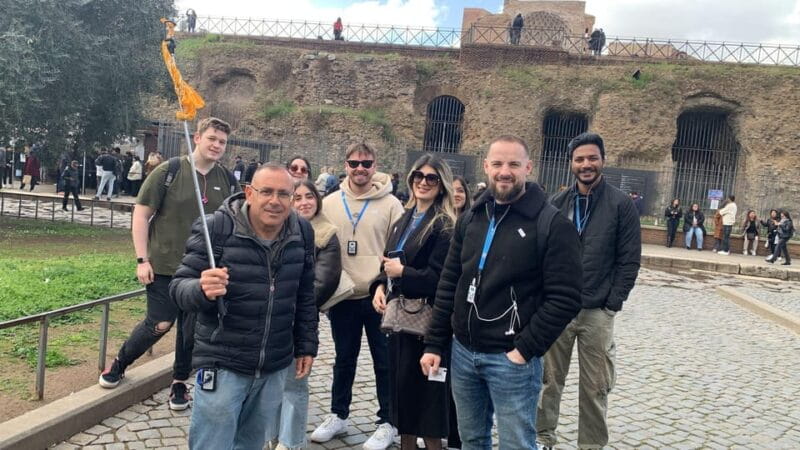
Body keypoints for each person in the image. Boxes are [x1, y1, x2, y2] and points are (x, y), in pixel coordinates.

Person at [421, 135, 583, 449]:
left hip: (511, 360)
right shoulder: (471, 218)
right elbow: (450, 282)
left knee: (516, 444)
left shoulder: (551, 224)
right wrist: (435, 343)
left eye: (513, 164)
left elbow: (566, 298)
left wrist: (524, 349)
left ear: (528, 167)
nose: (504, 171)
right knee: (471, 441)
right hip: (463, 352)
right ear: (486, 166)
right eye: (497, 164)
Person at [170, 163, 318, 450]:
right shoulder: (216, 228)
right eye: (266, 192)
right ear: (249, 193)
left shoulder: (302, 231)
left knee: (251, 444)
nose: (275, 201)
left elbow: (304, 295)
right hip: (223, 362)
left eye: (283, 194)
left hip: (274, 364)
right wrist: (201, 288)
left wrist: (306, 345)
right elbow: (178, 288)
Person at [98, 118, 240, 412]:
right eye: (212, 138)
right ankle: (120, 362)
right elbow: (141, 215)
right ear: (197, 138)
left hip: (204, 269)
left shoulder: (227, 179)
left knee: (191, 329)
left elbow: (236, 221)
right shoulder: (169, 171)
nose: (216, 145)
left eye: (222, 142)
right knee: (159, 323)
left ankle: (179, 381)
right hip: (165, 264)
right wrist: (142, 259)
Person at [538, 132, 642, 450]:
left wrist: (613, 303)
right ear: (571, 163)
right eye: (580, 159)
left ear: (603, 161)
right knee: (548, 381)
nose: (586, 164)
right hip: (558, 309)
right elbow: (542, 254)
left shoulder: (621, 205)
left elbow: (629, 259)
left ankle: (591, 445)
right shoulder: (557, 203)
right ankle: (542, 438)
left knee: (595, 386)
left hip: (597, 311)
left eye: (592, 158)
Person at [311, 142, 404, 450]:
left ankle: (388, 421)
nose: (360, 168)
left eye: (366, 163)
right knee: (344, 359)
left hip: (379, 295)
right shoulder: (330, 202)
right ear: (345, 165)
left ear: (375, 165)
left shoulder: (391, 204)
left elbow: (397, 251)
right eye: (354, 163)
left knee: (385, 362)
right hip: (344, 293)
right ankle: (338, 414)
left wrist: (385, 286)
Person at [370, 154, 457, 450]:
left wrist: (403, 273)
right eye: (419, 176)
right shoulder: (403, 219)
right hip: (400, 322)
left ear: (441, 184)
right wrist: (379, 285)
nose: (424, 182)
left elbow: (442, 278)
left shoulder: (444, 226)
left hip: (428, 325)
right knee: (403, 401)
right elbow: (388, 262)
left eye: (432, 178)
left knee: (428, 404)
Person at [271, 179, 342, 450]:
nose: (303, 202)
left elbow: (322, 283)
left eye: (309, 196)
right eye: (297, 197)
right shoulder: (276, 228)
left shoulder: (326, 234)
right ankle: (272, 434)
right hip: (271, 317)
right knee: (270, 383)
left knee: (294, 383)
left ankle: (291, 441)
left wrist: (286, 302)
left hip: (298, 318)